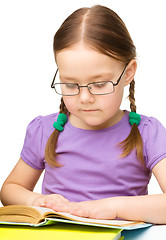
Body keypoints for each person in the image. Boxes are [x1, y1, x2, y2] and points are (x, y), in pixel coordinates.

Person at [1, 5, 166, 224]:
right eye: (70, 84)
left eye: (99, 84)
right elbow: (10, 189)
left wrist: (111, 207)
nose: (85, 98)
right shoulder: (45, 130)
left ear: (128, 73)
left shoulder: (147, 133)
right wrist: (35, 200)